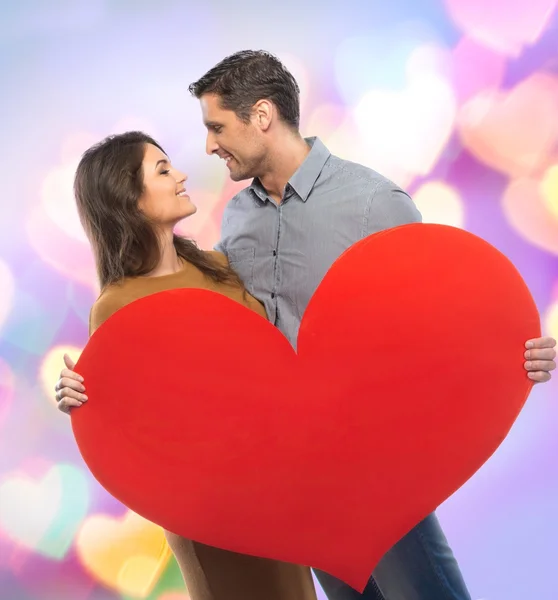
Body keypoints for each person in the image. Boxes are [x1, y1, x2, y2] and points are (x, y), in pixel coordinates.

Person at [55, 51, 557, 600]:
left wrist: (516, 351)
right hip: (293, 492)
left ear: (263, 116)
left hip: (375, 466)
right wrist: (87, 390)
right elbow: (181, 365)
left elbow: (441, 311)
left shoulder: (373, 204)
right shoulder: (235, 230)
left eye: (217, 127)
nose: (207, 147)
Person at [59, 130, 318, 600]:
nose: (179, 175)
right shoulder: (117, 306)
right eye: (162, 170)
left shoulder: (217, 266)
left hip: (275, 490)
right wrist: (78, 395)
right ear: (128, 198)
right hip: (207, 507)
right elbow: (132, 421)